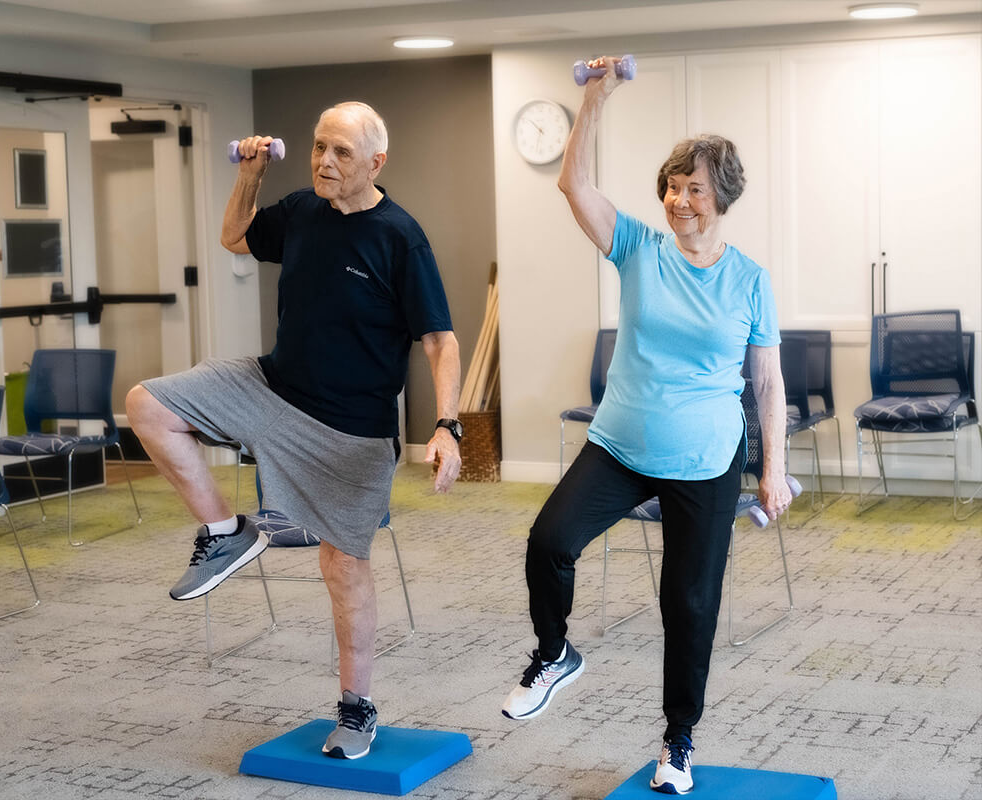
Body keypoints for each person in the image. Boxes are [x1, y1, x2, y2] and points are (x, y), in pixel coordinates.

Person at [126, 101, 463, 761]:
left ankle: (356, 709)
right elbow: (234, 236)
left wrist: (446, 424)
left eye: (340, 152)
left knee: (342, 563)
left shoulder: (401, 237)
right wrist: (250, 173)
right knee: (148, 405)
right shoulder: (303, 211)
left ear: (376, 162)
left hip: (353, 430)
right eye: (318, 148)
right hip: (271, 389)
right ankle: (227, 532)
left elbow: (440, 341)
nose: (325, 163)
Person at [499, 58, 792, 795]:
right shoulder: (636, 247)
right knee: (550, 542)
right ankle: (554, 653)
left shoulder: (749, 279)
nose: (679, 199)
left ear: (721, 196)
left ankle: (678, 742)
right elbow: (573, 185)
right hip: (621, 445)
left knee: (687, 606)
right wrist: (593, 100)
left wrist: (774, 467)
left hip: (705, 460)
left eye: (694, 188)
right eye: (672, 186)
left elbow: (765, 379)